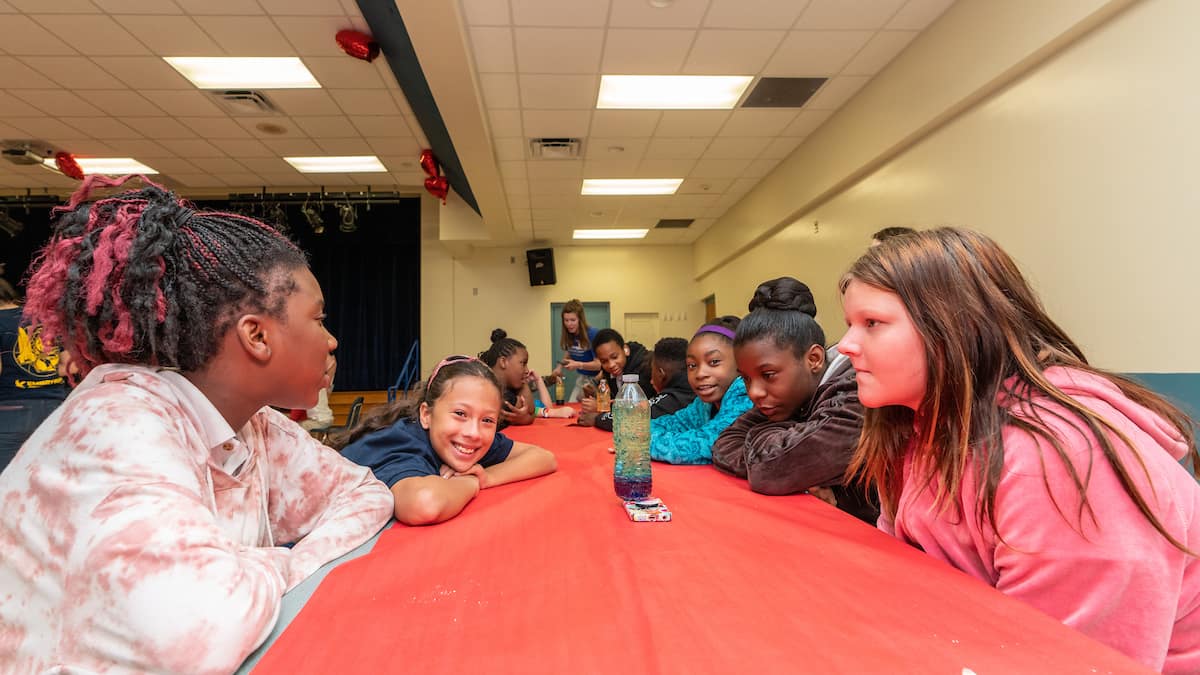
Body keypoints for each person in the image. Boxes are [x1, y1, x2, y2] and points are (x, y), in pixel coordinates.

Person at [0, 175, 394, 673]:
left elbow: (365, 494)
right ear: (256, 334)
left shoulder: (255, 426)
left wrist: (247, 570)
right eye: (318, 319)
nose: (331, 340)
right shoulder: (118, 424)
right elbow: (198, 637)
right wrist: (276, 563)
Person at [839, 228, 1200, 673]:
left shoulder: (1062, 459)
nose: (846, 345)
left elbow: (1074, 661)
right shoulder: (919, 427)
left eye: (872, 323)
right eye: (849, 324)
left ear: (958, 325)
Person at [712, 278, 877, 523]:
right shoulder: (789, 398)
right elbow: (724, 445)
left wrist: (786, 452)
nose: (755, 392)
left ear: (814, 359)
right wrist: (797, 439)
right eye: (746, 378)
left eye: (768, 375)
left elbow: (768, 467)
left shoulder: (856, 391)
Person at [335, 355, 557, 526]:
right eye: (460, 414)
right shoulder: (405, 442)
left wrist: (487, 477)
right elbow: (425, 504)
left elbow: (545, 458)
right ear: (426, 415)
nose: (474, 432)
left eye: (488, 419)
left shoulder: (466, 440)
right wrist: (470, 482)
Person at [650, 318, 754, 465]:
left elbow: (705, 445)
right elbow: (672, 422)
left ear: (740, 362)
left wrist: (639, 443)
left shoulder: (745, 397)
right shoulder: (703, 404)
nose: (700, 374)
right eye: (692, 365)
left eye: (714, 362)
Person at [0, 277, 68, 470]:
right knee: (48, 473)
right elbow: (69, 367)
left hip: (11, 411)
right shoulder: (46, 320)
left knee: (6, 478)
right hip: (56, 407)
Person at [588, 337, 697, 433]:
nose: (651, 381)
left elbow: (632, 417)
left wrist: (597, 418)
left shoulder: (673, 398)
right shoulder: (685, 390)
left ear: (661, 373)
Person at [578, 328, 656, 428]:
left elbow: (635, 407)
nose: (611, 365)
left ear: (625, 350)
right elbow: (616, 398)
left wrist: (601, 407)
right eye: (604, 361)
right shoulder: (608, 372)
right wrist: (596, 396)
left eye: (614, 357)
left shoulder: (645, 367)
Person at [479, 329, 535, 429]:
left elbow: (530, 413)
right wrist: (527, 419)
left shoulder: (502, 388)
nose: (527, 370)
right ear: (503, 362)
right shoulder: (500, 395)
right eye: (523, 363)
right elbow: (529, 410)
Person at [552, 299, 600, 401]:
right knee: (573, 404)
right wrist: (560, 367)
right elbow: (569, 352)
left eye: (573, 320)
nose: (569, 324)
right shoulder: (570, 335)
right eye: (566, 320)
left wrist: (579, 364)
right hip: (583, 378)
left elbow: (599, 364)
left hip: (598, 378)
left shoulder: (592, 334)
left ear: (580, 320)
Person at [300, 356, 337, 432]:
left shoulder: (308, 386)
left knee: (297, 427)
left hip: (320, 421)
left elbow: (298, 411)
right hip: (328, 419)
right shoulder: (321, 384)